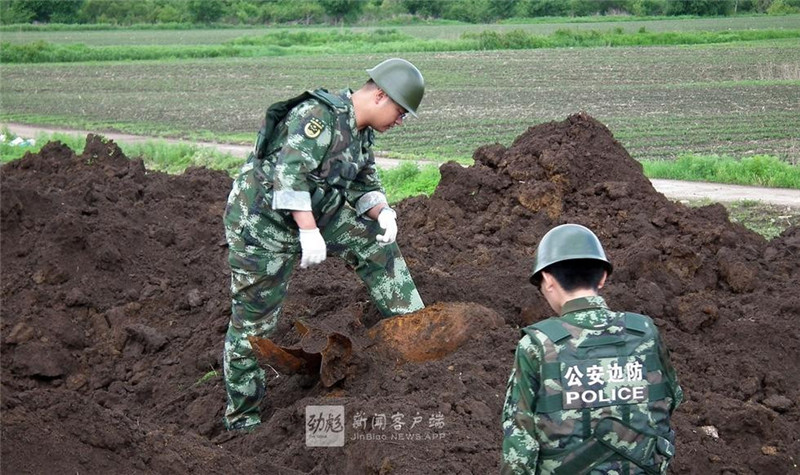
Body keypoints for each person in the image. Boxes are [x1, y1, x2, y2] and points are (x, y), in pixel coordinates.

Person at [222, 58, 426, 431]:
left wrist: (382, 212)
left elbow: (365, 180)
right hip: (261, 225)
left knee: (375, 243)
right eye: (400, 112)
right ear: (380, 96)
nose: (400, 122)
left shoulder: (361, 133)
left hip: (316, 210)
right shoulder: (317, 116)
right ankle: (243, 419)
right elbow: (289, 175)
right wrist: (308, 230)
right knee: (254, 326)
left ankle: (413, 330)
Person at [501, 224, 683, 474]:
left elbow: (520, 442)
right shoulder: (645, 332)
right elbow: (670, 399)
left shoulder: (538, 344)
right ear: (603, 277)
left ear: (548, 279)